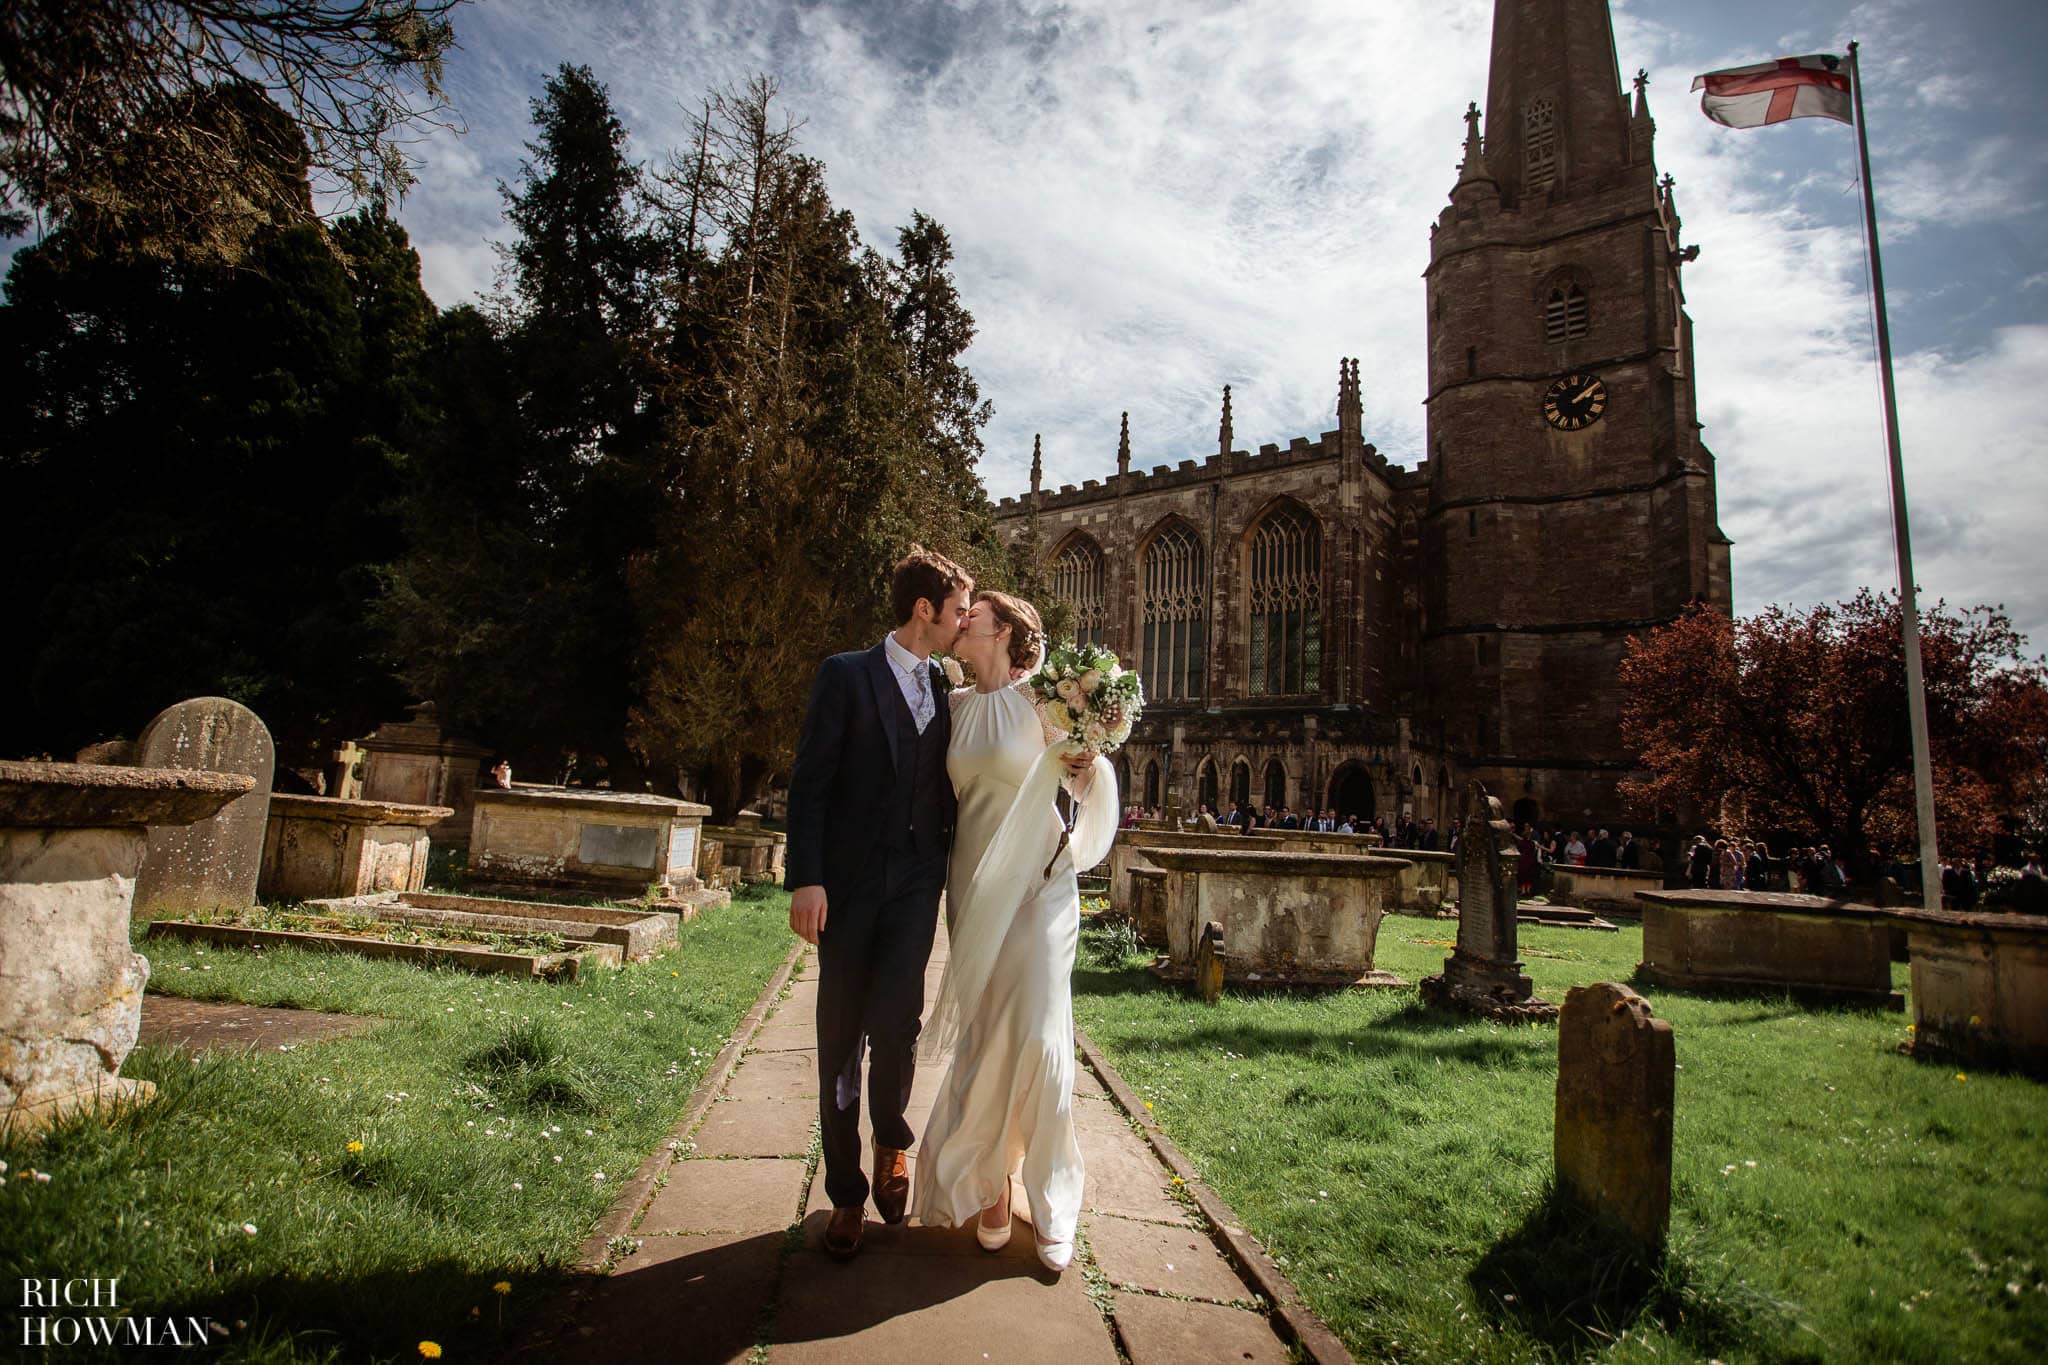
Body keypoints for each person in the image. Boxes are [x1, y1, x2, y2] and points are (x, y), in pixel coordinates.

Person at [912, 592, 1115, 1274]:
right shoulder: (955, 705)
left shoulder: (1044, 702)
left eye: (973, 613)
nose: (958, 616)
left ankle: (1053, 1198)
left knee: (1036, 1032)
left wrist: (1088, 769)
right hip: (971, 886)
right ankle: (993, 1189)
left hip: (1039, 883)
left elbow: (1088, 773)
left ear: (1002, 630)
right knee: (987, 1032)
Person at [784, 545, 971, 1261]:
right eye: (956, 610)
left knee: (899, 1023)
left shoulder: (948, 691)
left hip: (917, 885)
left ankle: (892, 1142)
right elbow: (811, 784)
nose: (961, 622)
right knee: (841, 1037)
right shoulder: (845, 676)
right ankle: (845, 1192)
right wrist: (808, 877)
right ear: (924, 610)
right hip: (851, 887)